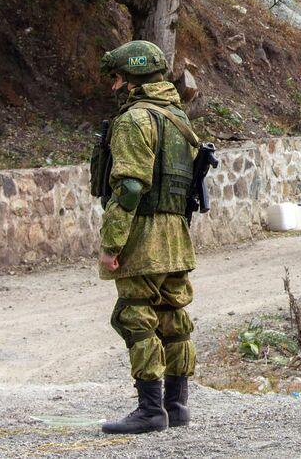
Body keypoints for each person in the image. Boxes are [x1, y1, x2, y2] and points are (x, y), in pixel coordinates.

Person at [97, 40, 199, 434]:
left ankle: (150, 410)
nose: (114, 87)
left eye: (118, 78)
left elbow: (129, 189)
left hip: (143, 233)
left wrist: (111, 246)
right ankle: (176, 406)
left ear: (133, 80)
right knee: (173, 317)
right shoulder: (177, 117)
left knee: (135, 316)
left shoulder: (135, 120)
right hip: (176, 234)